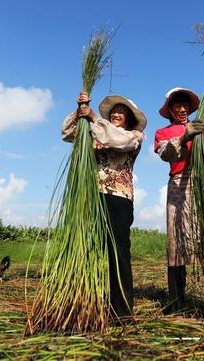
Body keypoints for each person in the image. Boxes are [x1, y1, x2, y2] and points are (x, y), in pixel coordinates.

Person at [153, 58, 204, 314]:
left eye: (184, 104)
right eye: (176, 105)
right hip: (179, 185)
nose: (181, 108)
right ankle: (176, 302)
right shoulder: (163, 132)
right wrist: (185, 134)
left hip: (203, 181)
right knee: (176, 241)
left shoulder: (202, 123)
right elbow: (166, 153)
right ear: (169, 109)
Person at [62, 91, 147, 322]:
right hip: (90, 196)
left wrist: (93, 118)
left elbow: (116, 140)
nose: (118, 114)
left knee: (117, 252)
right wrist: (80, 110)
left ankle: (121, 311)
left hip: (118, 199)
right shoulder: (95, 132)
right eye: (114, 111)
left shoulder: (134, 136)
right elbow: (67, 133)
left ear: (129, 118)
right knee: (90, 250)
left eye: (123, 112)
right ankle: (87, 304)